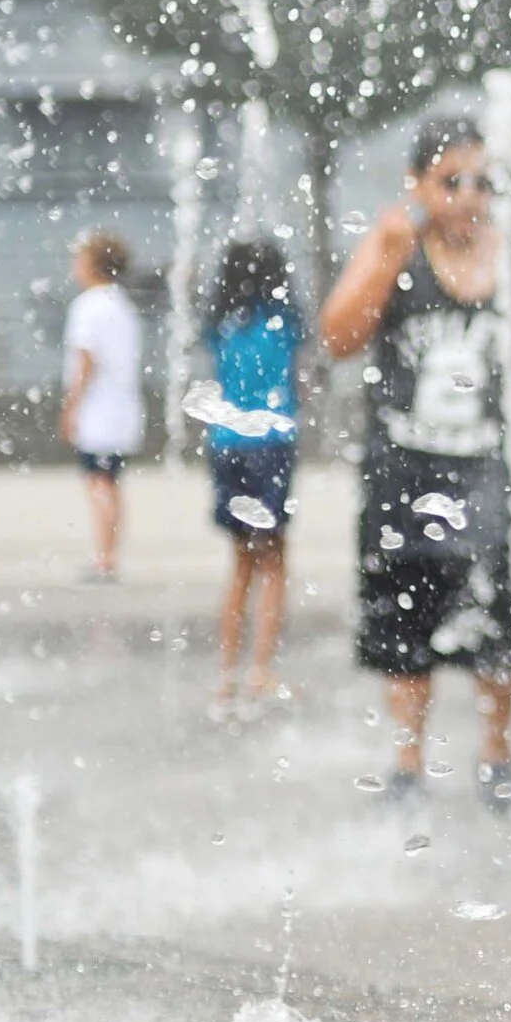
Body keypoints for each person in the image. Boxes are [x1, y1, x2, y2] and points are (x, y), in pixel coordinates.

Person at [320, 117, 511, 811]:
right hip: (401, 469)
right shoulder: (397, 244)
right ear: (419, 185)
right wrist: (385, 255)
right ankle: (409, 761)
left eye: (481, 182)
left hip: (483, 474)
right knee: (402, 617)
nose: (467, 196)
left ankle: (498, 753)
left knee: (494, 619)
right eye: (450, 181)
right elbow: (338, 337)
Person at [202, 237, 306, 717]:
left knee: (240, 564)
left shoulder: (221, 323)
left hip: (227, 445)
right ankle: (262, 669)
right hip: (272, 445)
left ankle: (226, 675)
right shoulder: (283, 320)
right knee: (275, 562)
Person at [61, 232, 144, 583]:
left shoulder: (88, 306)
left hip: (99, 412)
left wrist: (71, 408)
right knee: (109, 481)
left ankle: (105, 559)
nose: (74, 266)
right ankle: (108, 554)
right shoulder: (122, 304)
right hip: (122, 409)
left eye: (79, 259)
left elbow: (85, 361)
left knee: (98, 482)